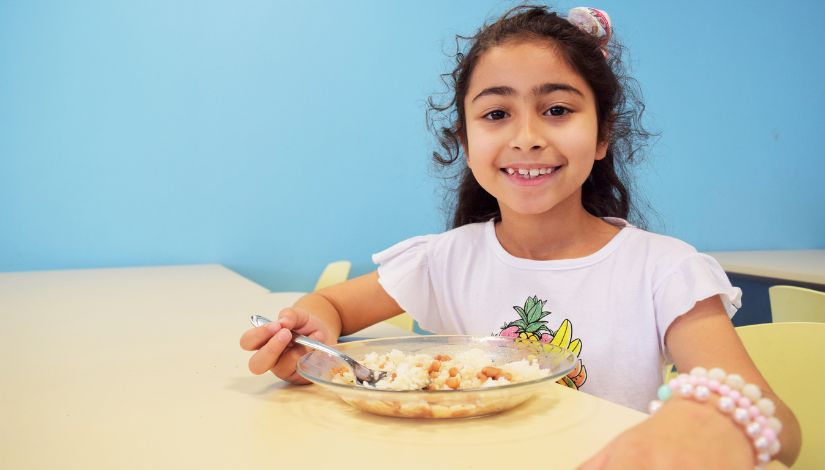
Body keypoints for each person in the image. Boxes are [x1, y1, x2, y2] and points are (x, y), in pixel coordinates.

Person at [240, 5, 800, 468]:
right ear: (465, 137)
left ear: (603, 134)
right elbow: (332, 304)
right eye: (496, 114)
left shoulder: (664, 271)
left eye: (557, 109)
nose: (527, 137)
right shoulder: (446, 259)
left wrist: (711, 424)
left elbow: (780, 425)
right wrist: (312, 333)